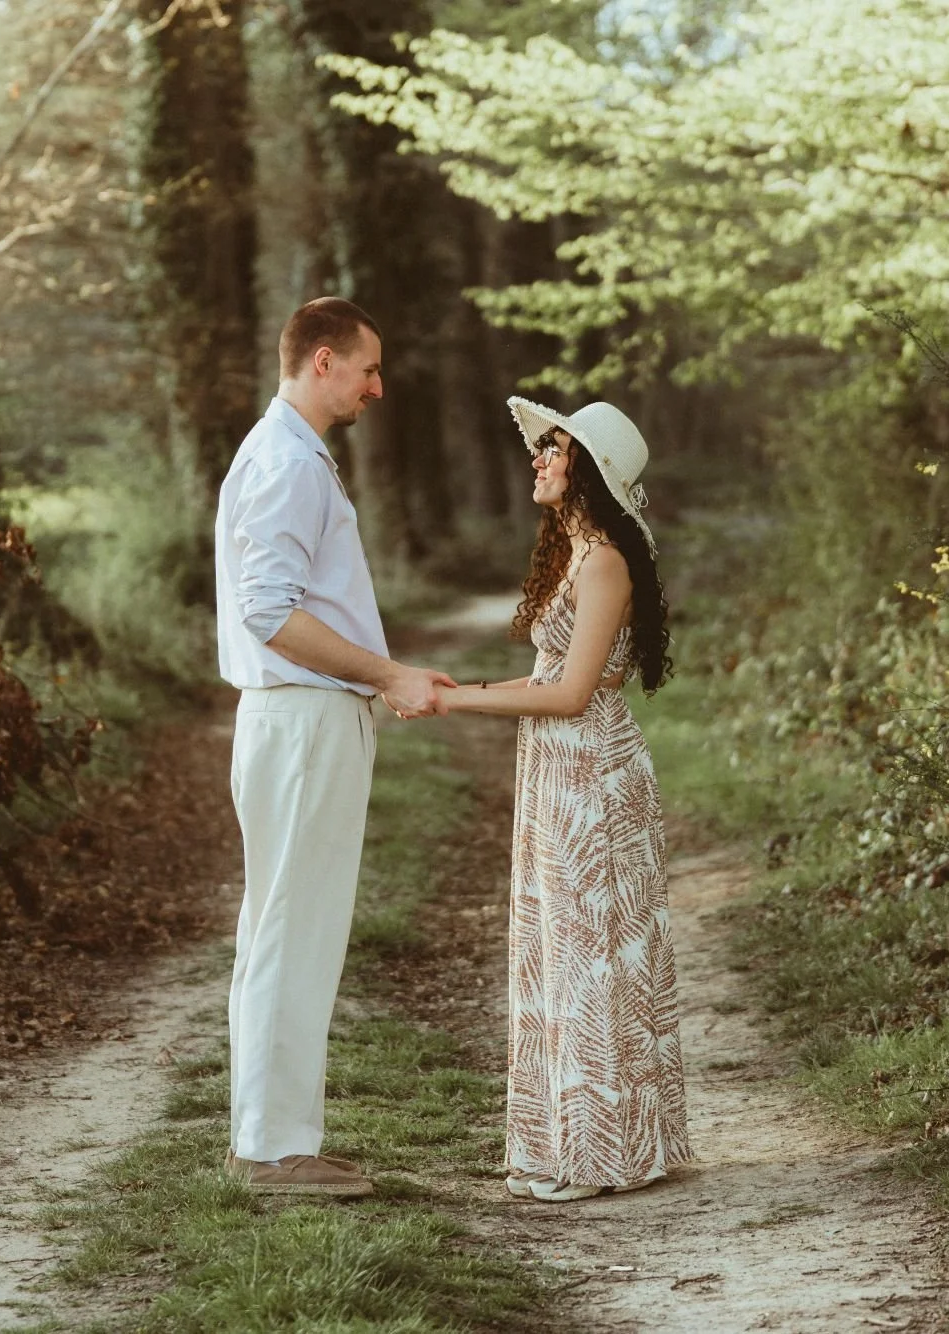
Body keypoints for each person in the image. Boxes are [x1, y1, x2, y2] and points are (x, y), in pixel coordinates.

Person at [213, 296, 456, 1198]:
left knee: (279, 923)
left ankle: (264, 1138)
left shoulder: (286, 453)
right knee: (294, 927)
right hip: (304, 718)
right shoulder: (288, 463)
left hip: (294, 719)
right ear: (322, 361)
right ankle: (276, 1152)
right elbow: (269, 610)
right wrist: (386, 675)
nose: (377, 387)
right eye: (366, 368)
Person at [433, 397, 691, 1202]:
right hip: (556, 770)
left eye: (554, 450)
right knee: (560, 950)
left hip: (592, 773)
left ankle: (600, 1155)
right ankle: (565, 1146)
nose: (539, 460)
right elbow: (546, 680)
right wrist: (453, 694)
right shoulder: (575, 553)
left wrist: (460, 699)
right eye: (542, 448)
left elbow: (573, 694)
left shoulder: (606, 559)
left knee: (593, 958)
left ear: (590, 469)